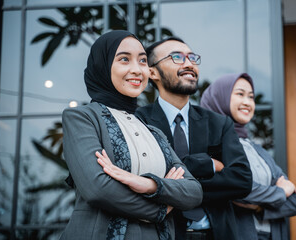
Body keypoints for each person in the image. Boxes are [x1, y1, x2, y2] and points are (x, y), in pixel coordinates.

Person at [60, 30, 202, 240]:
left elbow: (193, 191)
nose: (137, 70)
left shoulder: (153, 131)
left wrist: (151, 185)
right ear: (103, 65)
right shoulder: (82, 118)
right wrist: (161, 209)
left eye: (143, 61)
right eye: (124, 59)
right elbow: (98, 189)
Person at [135, 37, 252, 240]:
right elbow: (140, 179)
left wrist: (172, 186)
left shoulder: (219, 123)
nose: (189, 64)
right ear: (152, 72)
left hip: (217, 234)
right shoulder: (139, 122)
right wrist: (206, 164)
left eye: (192, 58)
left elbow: (241, 180)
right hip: (162, 234)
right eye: (177, 57)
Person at [200, 73, 296, 240]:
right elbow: (237, 190)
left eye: (251, 97)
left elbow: (295, 203)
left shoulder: (258, 150)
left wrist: (260, 207)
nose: (247, 102)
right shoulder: (213, 146)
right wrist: (281, 192)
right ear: (220, 98)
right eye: (240, 94)